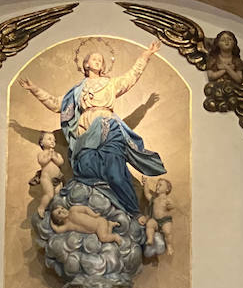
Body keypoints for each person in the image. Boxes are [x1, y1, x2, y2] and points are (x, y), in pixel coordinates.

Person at [20, 40, 167, 216]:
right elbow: (56, 104)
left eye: (101, 60)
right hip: (85, 134)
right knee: (86, 172)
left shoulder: (110, 84)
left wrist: (146, 55)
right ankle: (95, 212)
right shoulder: (76, 91)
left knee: (116, 174)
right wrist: (34, 89)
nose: (98, 61)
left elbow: (131, 77)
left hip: (109, 129)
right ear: (86, 64)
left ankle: (133, 212)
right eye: (94, 59)